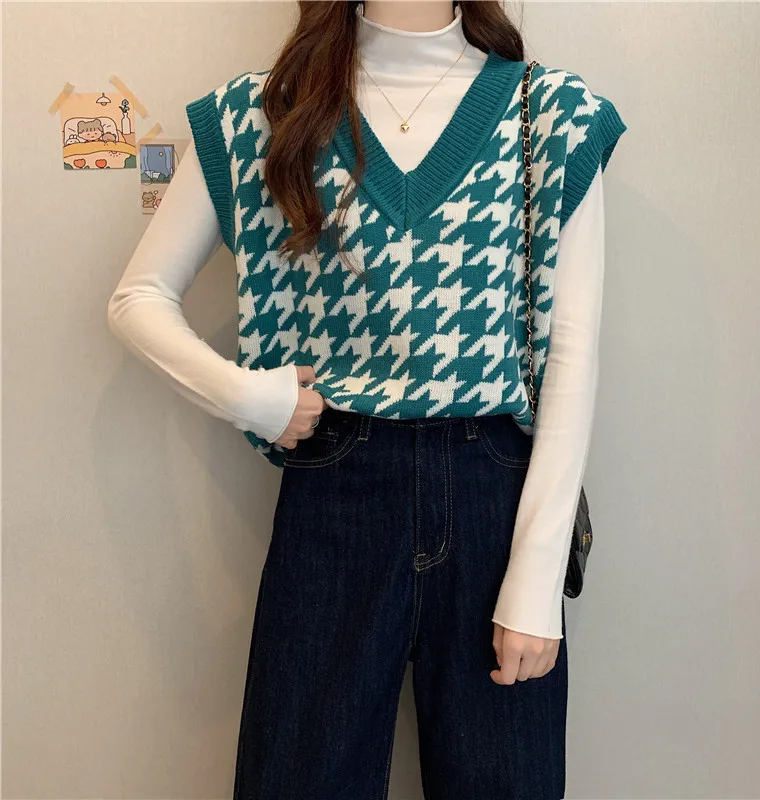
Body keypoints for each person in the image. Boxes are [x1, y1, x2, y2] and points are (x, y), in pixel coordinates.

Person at [107, 1, 626, 797]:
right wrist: (251, 398)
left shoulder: (550, 114)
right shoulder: (265, 114)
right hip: (336, 489)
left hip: (496, 502)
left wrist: (534, 577)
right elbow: (137, 298)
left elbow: (570, 356)